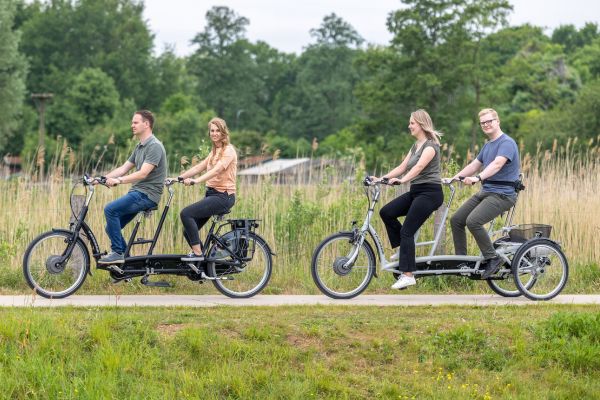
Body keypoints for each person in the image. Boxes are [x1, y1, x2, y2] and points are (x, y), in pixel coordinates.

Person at [372, 109, 444, 290]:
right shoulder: (415, 146)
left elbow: (419, 167)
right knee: (387, 212)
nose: (409, 126)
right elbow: (402, 166)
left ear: (421, 124)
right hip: (416, 191)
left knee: (407, 232)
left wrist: (403, 180)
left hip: (430, 193)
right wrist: (381, 179)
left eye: (412, 123)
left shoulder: (430, 146)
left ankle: (408, 275)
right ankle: (404, 251)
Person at [448, 108, 520, 279]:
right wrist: (455, 177)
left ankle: (492, 258)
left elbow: (497, 164)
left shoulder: (507, 143)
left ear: (497, 121)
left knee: (473, 221)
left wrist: (477, 178)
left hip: (503, 195)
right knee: (457, 220)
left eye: (489, 121)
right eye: (483, 123)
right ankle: (462, 261)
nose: (486, 125)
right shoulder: (488, 145)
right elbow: (474, 165)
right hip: (486, 192)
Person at [98, 110, 167, 264]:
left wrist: (119, 181)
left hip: (147, 195)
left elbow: (143, 174)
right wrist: (102, 179)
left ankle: (118, 252)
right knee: (111, 228)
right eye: (132, 122)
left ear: (146, 124)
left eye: (135, 122)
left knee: (110, 209)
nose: (132, 125)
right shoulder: (140, 146)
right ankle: (129, 264)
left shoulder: (154, 146)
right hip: (137, 193)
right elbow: (123, 168)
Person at [168, 117, 237, 261]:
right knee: (188, 232)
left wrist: (196, 181)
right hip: (212, 195)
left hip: (223, 196)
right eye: (212, 130)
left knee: (186, 214)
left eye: (218, 130)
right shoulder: (214, 151)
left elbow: (217, 170)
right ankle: (204, 263)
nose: (214, 133)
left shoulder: (228, 151)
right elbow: (199, 167)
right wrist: (177, 178)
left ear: (224, 132)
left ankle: (198, 256)